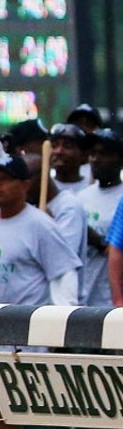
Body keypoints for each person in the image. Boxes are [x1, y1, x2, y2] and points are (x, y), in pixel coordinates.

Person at [0, 153, 80, 308]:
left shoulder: (40, 224)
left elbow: (64, 274)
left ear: (25, 185)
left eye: (5, 179)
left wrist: (62, 318)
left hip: (26, 322)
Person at [80, 129, 123, 307]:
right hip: (82, 300)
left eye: (104, 154)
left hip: (110, 301)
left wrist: (98, 240)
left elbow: (116, 249)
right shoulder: (80, 198)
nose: (96, 159)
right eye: (93, 153)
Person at [48, 122, 92, 194]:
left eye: (67, 146)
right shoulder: (43, 188)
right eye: (54, 146)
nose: (58, 152)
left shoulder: (91, 188)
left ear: (83, 154)